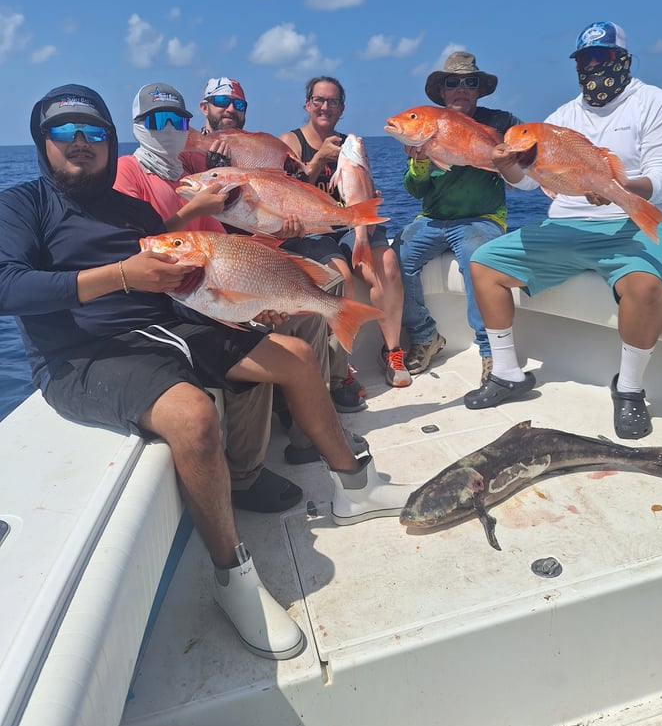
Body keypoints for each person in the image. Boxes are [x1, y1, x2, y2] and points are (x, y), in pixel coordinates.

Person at [0, 84, 415, 662]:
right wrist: (122, 275)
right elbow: (7, 286)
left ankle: (354, 486)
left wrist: (248, 306)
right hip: (84, 354)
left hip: (168, 327)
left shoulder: (133, 210)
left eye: (94, 133)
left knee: (294, 356)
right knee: (193, 417)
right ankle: (232, 576)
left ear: (110, 139)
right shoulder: (22, 205)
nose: (80, 145)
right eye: (64, 134)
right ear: (41, 143)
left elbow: (178, 280)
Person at [466, 22, 662, 440]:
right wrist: (505, 164)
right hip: (567, 224)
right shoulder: (560, 119)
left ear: (622, 59)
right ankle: (507, 373)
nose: (592, 67)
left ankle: (628, 389)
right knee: (483, 264)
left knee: (644, 288)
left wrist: (618, 189)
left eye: (602, 58)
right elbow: (530, 182)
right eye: (584, 60)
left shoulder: (657, 104)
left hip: (638, 221)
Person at [114, 81, 333, 511]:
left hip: (214, 278)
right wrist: (194, 210)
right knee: (254, 347)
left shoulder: (190, 167)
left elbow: (222, 235)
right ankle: (245, 478)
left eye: (178, 120)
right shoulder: (128, 172)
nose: (171, 128)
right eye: (159, 120)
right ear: (138, 125)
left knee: (310, 311)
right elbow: (136, 247)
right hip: (176, 298)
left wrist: (270, 256)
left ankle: (308, 431)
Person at [180, 77, 351, 465]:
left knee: (330, 287)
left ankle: (312, 419)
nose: (229, 109)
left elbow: (281, 197)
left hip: (253, 254)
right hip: (219, 267)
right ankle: (304, 414)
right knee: (306, 303)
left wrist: (285, 225)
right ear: (204, 107)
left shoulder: (259, 152)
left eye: (237, 104)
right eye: (220, 102)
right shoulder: (192, 161)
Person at [393, 51, 522, 385]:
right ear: (442, 91)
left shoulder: (502, 123)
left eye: (470, 82)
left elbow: (525, 162)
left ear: (479, 89)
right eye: (453, 82)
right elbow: (413, 189)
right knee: (395, 260)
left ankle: (490, 350)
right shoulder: (424, 130)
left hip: (482, 218)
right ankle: (425, 336)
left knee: (478, 259)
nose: (461, 88)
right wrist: (420, 161)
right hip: (432, 219)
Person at [279, 76, 412, 393]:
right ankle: (339, 367)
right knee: (341, 277)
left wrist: (369, 195)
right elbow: (284, 192)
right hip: (314, 231)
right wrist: (319, 160)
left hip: (353, 226)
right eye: (319, 100)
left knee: (388, 264)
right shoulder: (292, 141)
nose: (325, 106)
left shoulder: (349, 145)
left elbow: (360, 189)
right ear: (307, 104)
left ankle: (392, 352)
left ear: (342, 108)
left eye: (333, 101)